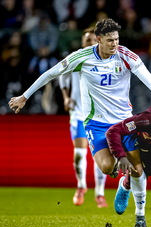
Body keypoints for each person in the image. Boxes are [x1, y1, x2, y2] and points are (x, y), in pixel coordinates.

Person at [9, 19, 151, 225]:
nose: (114, 44)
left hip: (125, 122)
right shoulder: (83, 57)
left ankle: (140, 217)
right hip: (96, 124)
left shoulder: (126, 56)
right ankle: (118, 179)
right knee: (107, 167)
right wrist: (24, 96)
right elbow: (51, 73)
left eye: (116, 39)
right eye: (109, 40)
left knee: (138, 169)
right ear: (98, 40)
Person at [59, 27, 108, 208]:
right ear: (82, 43)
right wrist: (66, 97)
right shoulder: (75, 59)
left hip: (101, 116)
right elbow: (62, 79)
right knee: (80, 154)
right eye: (87, 41)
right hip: (79, 114)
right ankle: (81, 186)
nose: (90, 44)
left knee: (100, 156)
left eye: (93, 41)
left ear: (99, 42)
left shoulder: (106, 62)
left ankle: (100, 193)